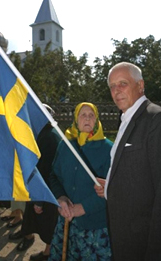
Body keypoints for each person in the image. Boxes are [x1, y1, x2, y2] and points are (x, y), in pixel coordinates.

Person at [94, 62, 161, 261]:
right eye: (112, 86)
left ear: (140, 86)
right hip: (123, 234)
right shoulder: (125, 118)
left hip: (143, 240)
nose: (116, 91)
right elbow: (137, 172)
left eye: (123, 83)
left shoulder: (156, 119)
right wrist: (110, 187)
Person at [49, 102, 112, 261]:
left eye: (91, 115)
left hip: (95, 227)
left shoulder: (108, 149)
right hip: (67, 222)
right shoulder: (65, 145)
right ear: (76, 120)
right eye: (82, 115)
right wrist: (61, 198)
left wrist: (83, 208)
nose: (87, 118)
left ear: (97, 120)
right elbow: (54, 176)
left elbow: (114, 189)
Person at [9, 104, 61, 260]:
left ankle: (47, 253)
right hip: (37, 185)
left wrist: (39, 199)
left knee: (48, 222)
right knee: (31, 215)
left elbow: (45, 169)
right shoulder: (42, 133)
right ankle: (28, 235)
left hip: (45, 188)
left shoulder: (48, 137)